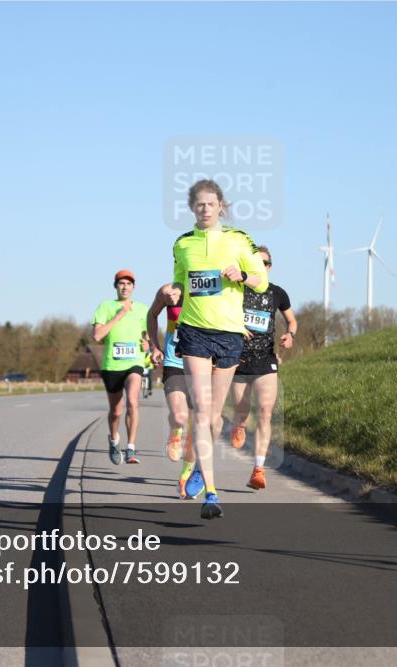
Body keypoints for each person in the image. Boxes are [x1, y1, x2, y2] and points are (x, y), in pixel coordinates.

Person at [170, 179, 268, 519]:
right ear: (192, 208)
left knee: (213, 417)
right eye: (199, 204)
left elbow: (262, 279)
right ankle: (211, 493)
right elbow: (181, 284)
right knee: (201, 409)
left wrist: (241, 275)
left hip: (228, 334)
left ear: (221, 206)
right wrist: (174, 295)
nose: (205, 209)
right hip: (195, 331)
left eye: (211, 203)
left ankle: (199, 463)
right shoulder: (182, 244)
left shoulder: (239, 240)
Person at [229, 245, 297, 490]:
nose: (262, 267)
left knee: (266, 411)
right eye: (256, 264)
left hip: (266, 359)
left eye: (265, 264)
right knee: (241, 409)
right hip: (238, 359)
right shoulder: (236, 290)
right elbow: (221, 313)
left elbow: (292, 320)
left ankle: (258, 469)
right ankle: (238, 424)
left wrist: (290, 335)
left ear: (270, 267)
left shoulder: (278, 293)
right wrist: (236, 325)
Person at [92, 269, 149, 465]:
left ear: (133, 287)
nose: (125, 287)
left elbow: (146, 334)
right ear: (115, 286)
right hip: (112, 365)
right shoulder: (105, 307)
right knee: (116, 411)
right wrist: (120, 315)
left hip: (135, 362)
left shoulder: (142, 309)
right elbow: (98, 336)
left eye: (129, 284)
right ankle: (114, 439)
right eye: (121, 283)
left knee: (133, 401)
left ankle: (131, 448)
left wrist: (148, 343)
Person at [147, 283, 197, 498]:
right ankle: (175, 432)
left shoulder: (211, 287)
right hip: (174, 362)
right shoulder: (169, 291)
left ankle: (185, 477)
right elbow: (152, 315)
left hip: (203, 364)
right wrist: (155, 346)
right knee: (179, 415)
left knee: (197, 429)